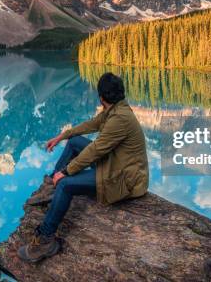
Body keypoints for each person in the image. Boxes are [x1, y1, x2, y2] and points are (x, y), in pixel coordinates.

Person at [17, 72, 149, 263]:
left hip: (123, 179)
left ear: (101, 97)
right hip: (115, 164)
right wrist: (62, 136)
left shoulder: (120, 118)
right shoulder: (115, 109)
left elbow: (94, 151)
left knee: (66, 184)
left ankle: (45, 240)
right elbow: (91, 124)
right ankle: (52, 189)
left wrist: (66, 172)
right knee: (75, 142)